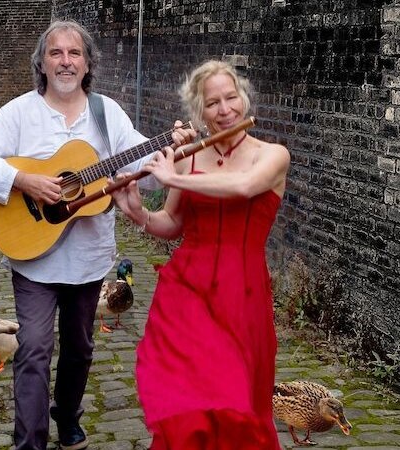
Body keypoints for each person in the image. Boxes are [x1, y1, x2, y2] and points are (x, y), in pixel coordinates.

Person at [0, 20, 195, 450]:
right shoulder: (20, 112)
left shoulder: (107, 114)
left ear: (87, 65)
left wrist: (171, 151)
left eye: (74, 53)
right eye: (56, 53)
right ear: (42, 64)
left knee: (80, 349)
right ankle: (31, 442)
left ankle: (67, 418)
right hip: (35, 259)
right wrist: (22, 179)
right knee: (33, 349)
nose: (66, 61)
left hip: (89, 259)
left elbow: (149, 177)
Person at [108, 60, 290, 449]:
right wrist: (138, 212)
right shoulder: (189, 157)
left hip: (242, 294)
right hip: (187, 291)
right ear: (199, 112)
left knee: (235, 397)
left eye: (231, 98)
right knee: (188, 401)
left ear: (243, 98)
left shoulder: (272, 156)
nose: (225, 110)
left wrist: (173, 176)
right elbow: (172, 221)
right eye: (212, 103)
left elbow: (243, 187)